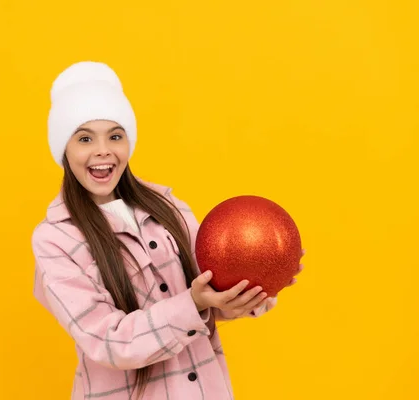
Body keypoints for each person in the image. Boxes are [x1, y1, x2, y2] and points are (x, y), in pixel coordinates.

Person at [31, 61, 304, 400]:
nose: (102, 150)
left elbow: (208, 292)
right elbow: (108, 341)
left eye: (115, 135)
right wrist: (193, 303)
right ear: (63, 149)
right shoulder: (56, 239)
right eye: (85, 138)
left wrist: (255, 282)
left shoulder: (166, 206)